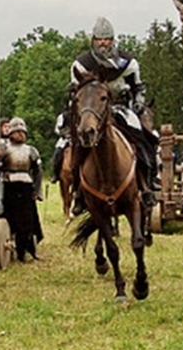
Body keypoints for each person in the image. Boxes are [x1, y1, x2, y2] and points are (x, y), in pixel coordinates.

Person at [69, 17, 161, 214]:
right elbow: (74, 91)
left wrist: (138, 102)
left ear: (112, 40)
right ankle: (78, 192)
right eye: (99, 39)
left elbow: (138, 87)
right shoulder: (82, 63)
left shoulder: (127, 62)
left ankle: (147, 184)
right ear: (93, 40)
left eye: (107, 39)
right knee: (76, 146)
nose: (103, 43)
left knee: (142, 137)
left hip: (120, 108)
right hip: (93, 111)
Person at [0, 117, 44, 261]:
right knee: (9, 218)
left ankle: (24, 250)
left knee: (27, 221)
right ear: (11, 134)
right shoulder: (3, 148)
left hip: (26, 187)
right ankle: (10, 244)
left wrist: (37, 191)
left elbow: (38, 172)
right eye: (17, 132)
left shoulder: (31, 150)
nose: (20, 134)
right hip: (8, 186)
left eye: (22, 132)